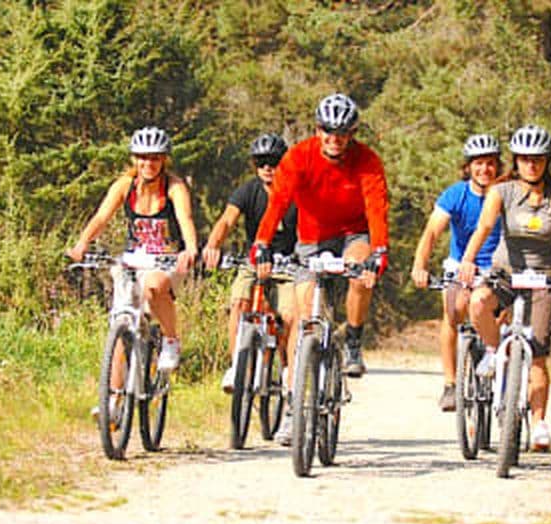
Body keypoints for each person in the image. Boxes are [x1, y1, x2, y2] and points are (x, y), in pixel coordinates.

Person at [252, 92, 389, 444]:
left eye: (342, 133)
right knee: (302, 318)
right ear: (317, 129)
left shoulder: (367, 160)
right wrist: (262, 243)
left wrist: (379, 251)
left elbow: (376, 207)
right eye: (328, 131)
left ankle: (354, 340)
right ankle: (293, 406)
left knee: (361, 272)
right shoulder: (299, 157)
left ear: (352, 134)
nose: (334, 139)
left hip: (352, 235)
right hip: (311, 239)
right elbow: (278, 202)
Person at [458, 124, 551, 451]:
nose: (531, 165)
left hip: (543, 278)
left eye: (538, 159)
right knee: (479, 302)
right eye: (525, 159)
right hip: (507, 272)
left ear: (547, 161)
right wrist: (468, 261)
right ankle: (495, 351)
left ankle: (539, 423)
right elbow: (484, 227)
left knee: (538, 354)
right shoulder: (503, 191)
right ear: (516, 160)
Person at [67, 126, 198, 371]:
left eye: (155, 158)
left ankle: (171, 340)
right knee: (121, 322)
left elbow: (186, 218)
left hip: (167, 260)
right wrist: (82, 242)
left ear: (164, 160)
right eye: (143, 157)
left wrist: (190, 249)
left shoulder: (174, 187)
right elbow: (101, 217)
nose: (149, 163)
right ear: (134, 159)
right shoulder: (124, 186)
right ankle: (113, 401)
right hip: (134, 258)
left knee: (154, 287)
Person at [411, 134, 503, 412]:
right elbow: (431, 232)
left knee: (503, 314)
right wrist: (420, 265)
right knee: (453, 311)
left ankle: (500, 368)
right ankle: (451, 384)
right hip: (460, 266)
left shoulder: (506, 194)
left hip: (497, 267)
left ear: (498, 166)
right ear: (468, 167)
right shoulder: (456, 194)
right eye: (478, 164)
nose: (484, 170)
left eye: (490, 164)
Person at [202, 133, 297, 394]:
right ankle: (236, 365)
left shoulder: (296, 192)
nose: (268, 168)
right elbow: (226, 221)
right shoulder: (248, 190)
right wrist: (213, 245)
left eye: (274, 161)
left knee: (289, 315)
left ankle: (289, 367)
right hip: (254, 262)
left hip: (289, 265)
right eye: (261, 162)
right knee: (239, 303)